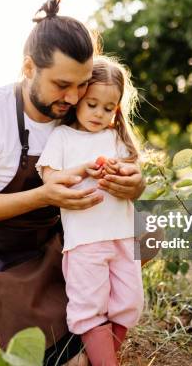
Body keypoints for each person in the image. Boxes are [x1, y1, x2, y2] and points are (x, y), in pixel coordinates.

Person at [0, 0, 145, 366]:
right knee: (68, 362)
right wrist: (44, 195)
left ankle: (81, 303)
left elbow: (122, 157)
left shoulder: (78, 111)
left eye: (82, 84)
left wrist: (134, 184)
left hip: (55, 241)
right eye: (61, 84)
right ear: (28, 69)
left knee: (147, 233)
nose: (73, 98)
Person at [35, 56, 143, 366]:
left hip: (123, 235)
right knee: (90, 306)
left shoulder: (116, 139)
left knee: (130, 302)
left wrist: (120, 173)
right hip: (85, 240)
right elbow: (51, 178)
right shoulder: (63, 137)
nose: (99, 114)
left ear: (117, 109)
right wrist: (83, 170)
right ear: (79, 98)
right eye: (92, 104)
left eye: (108, 108)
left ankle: (96, 357)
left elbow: (133, 177)